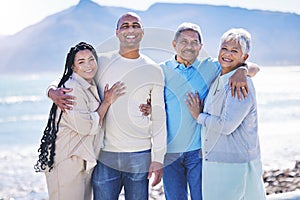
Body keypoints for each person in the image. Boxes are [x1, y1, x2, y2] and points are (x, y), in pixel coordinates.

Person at [47, 12, 167, 200]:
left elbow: (159, 116)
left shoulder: (153, 69)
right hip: (104, 155)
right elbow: (71, 76)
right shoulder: (101, 62)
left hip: (139, 154)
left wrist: (158, 158)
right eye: (125, 26)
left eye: (135, 25)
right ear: (117, 32)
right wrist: (51, 90)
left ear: (142, 32)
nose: (130, 29)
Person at [159, 23, 260, 200]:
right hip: (170, 152)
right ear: (174, 44)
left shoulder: (212, 66)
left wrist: (243, 70)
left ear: (201, 47)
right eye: (184, 41)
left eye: (194, 42)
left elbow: (253, 67)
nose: (189, 46)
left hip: (199, 151)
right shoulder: (160, 70)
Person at [34, 42, 125, 200]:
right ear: (73, 67)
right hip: (66, 162)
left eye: (91, 60)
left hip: (81, 160)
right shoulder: (73, 89)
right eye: (81, 62)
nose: (88, 65)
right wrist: (106, 102)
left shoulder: (88, 81)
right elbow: (86, 127)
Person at [185, 28, 266, 200]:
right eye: (224, 48)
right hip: (216, 163)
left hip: (233, 165)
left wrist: (198, 116)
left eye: (234, 51)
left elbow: (227, 126)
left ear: (244, 57)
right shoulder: (220, 76)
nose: (227, 54)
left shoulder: (240, 85)